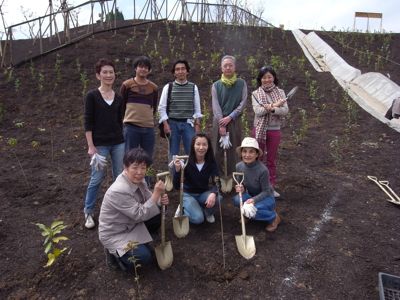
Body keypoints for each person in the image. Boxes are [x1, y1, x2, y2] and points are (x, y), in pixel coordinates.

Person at [99, 148, 169, 271]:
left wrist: (160, 201)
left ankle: (142, 242)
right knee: (144, 257)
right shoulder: (119, 190)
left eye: (143, 168)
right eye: (135, 167)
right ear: (125, 167)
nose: (139, 172)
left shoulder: (140, 181)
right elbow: (139, 214)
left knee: (158, 209)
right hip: (116, 233)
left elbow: (149, 199)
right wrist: (156, 195)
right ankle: (116, 257)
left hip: (130, 223)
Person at [83, 58, 125, 229]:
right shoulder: (92, 96)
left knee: (119, 177)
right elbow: (88, 122)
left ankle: (116, 210)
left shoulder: (119, 98)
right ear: (98, 75)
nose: (108, 75)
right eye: (105, 72)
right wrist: (91, 146)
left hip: (118, 143)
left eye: (111, 72)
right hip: (99, 145)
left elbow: (119, 121)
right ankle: (88, 211)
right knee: (97, 178)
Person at [251, 66, 288, 197]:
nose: (267, 79)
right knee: (258, 158)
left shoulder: (281, 93)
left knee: (271, 160)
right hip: (259, 129)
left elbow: (285, 111)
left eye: (269, 77)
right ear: (260, 79)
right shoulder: (256, 94)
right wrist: (275, 105)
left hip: (274, 130)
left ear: (274, 78)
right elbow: (258, 111)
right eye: (264, 77)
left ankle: (270, 187)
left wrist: (272, 108)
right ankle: (257, 187)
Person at [233, 137, 281, 232]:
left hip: (266, 198)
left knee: (255, 210)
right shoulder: (239, 166)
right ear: (241, 153)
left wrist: (253, 200)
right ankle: (247, 214)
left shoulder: (262, 170)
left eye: (251, 152)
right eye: (245, 151)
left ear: (257, 154)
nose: (247, 155)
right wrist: (241, 189)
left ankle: (274, 217)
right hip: (251, 195)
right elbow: (242, 184)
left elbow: (267, 191)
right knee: (236, 200)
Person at [172, 133, 221, 224]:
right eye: (198, 144)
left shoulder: (211, 161)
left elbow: (217, 180)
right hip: (188, 194)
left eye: (204, 144)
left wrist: (213, 193)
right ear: (193, 146)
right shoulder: (186, 161)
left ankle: (207, 213)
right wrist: (178, 171)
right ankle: (183, 209)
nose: (201, 148)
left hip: (203, 193)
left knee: (218, 198)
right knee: (198, 219)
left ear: (208, 146)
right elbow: (176, 186)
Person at [158, 60, 202, 158]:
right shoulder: (168, 87)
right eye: (177, 69)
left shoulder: (193, 87)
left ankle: (190, 173)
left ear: (187, 71)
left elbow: (197, 108)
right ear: (174, 73)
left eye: (183, 69)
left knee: (191, 151)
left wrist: (197, 125)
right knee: (173, 154)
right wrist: (165, 125)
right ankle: (174, 173)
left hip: (188, 124)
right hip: (172, 124)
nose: (180, 71)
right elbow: (162, 107)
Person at [211, 55, 247, 175]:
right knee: (216, 150)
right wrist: (221, 122)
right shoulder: (216, 85)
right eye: (225, 66)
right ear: (221, 68)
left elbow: (243, 103)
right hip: (219, 121)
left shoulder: (242, 84)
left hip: (234, 121)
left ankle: (234, 177)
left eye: (230, 65)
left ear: (234, 67)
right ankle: (218, 177)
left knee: (234, 151)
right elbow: (215, 105)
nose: (228, 68)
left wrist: (230, 116)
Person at [120, 56, 158, 160]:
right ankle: (129, 177)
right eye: (140, 66)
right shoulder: (127, 85)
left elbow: (153, 106)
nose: (143, 69)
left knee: (148, 158)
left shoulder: (153, 87)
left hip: (148, 129)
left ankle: (146, 177)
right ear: (135, 68)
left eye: (146, 67)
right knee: (130, 157)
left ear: (149, 70)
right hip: (131, 128)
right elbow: (121, 105)